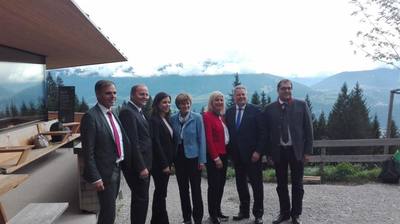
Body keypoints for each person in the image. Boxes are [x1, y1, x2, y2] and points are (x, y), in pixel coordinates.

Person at [261, 79, 313, 224]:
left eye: (289, 88)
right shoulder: (269, 108)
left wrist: (307, 151)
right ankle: (284, 213)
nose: (287, 91)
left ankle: (295, 215)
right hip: (279, 152)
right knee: (281, 185)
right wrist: (268, 154)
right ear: (278, 90)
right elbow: (266, 133)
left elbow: (309, 129)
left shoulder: (301, 105)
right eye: (284, 88)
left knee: (297, 184)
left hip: (297, 151)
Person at [81, 80, 130, 224]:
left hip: (116, 167)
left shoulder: (112, 113)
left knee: (108, 209)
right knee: (109, 212)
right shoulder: (91, 117)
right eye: (108, 93)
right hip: (104, 173)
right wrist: (96, 178)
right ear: (98, 95)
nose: (113, 96)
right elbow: (87, 151)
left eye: (114, 93)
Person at [225, 85, 264, 224]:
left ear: (246, 95)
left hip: (253, 156)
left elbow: (262, 133)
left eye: (243, 94)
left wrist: (258, 151)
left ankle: (258, 214)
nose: (241, 97)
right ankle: (244, 211)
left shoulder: (256, 110)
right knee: (240, 184)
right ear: (234, 97)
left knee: (257, 185)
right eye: (238, 95)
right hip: (237, 156)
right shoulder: (229, 112)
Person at [170, 93, 206, 224]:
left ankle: (198, 219)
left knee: (196, 189)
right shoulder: (173, 119)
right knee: (183, 189)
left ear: (190, 104)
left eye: (187, 103)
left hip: (193, 157)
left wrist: (202, 160)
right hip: (179, 158)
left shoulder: (197, 118)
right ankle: (187, 218)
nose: (185, 105)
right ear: (178, 105)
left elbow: (201, 139)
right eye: (182, 103)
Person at [119, 84, 152, 224]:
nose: (145, 97)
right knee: (141, 200)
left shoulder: (138, 111)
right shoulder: (128, 112)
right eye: (141, 94)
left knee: (142, 199)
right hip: (138, 166)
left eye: (146, 94)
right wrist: (141, 167)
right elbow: (132, 142)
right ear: (132, 95)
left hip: (145, 162)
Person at [203, 91, 229, 224]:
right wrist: (215, 157)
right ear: (211, 103)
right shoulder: (207, 116)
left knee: (221, 185)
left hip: (224, 154)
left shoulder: (221, 116)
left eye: (221, 100)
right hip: (214, 156)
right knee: (214, 186)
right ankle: (212, 215)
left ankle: (218, 211)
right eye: (216, 100)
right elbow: (208, 139)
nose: (219, 102)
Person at [149, 92, 176, 224]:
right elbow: (156, 143)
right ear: (157, 104)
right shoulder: (154, 120)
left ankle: (156, 220)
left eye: (168, 102)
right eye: (164, 102)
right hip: (159, 164)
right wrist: (165, 164)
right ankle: (162, 221)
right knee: (160, 192)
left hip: (167, 161)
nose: (167, 105)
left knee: (161, 193)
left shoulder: (166, 118)